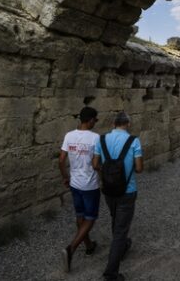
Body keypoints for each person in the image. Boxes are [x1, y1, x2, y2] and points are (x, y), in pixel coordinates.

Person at [93, 112, 143, 281]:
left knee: (116, 219)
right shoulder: (134, 141)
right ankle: (111, 273)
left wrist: (108, 173)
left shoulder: (101, 140)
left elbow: (95, 164)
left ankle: (121, 247)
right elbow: (139, 168)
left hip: (108, 189)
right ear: (128, 124)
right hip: (127, 190)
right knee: (121, 229)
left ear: (113, 123)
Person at [59, 107, 101, 272]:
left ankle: (89, 245)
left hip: (75, 183)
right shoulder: (95, 138)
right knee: (90, 218)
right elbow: (96, 164)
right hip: (90, 185)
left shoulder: (69, 135)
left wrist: (65, 177)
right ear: (90, 120)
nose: (95, 123)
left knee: (80, 215)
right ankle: (71, 249)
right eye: (95, 120)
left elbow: (61, 160)